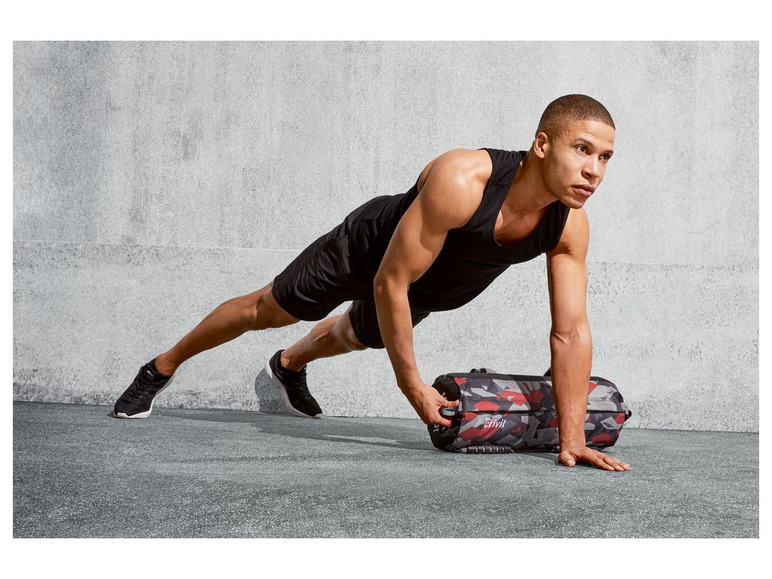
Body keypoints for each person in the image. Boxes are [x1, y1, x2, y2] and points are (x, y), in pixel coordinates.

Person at [114, 94, 630, 472]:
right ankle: (161, 367)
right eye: (582, 150)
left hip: (428, 289)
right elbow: (389, 282)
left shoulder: (569, 224)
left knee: (355, 335)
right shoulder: (463, 178)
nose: (594, 170)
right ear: (542, 144)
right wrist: (413, 388)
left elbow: (570, 331)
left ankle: (288, 365)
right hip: (367, 253)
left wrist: (572, 439)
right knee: (268, 310)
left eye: (605, 157)